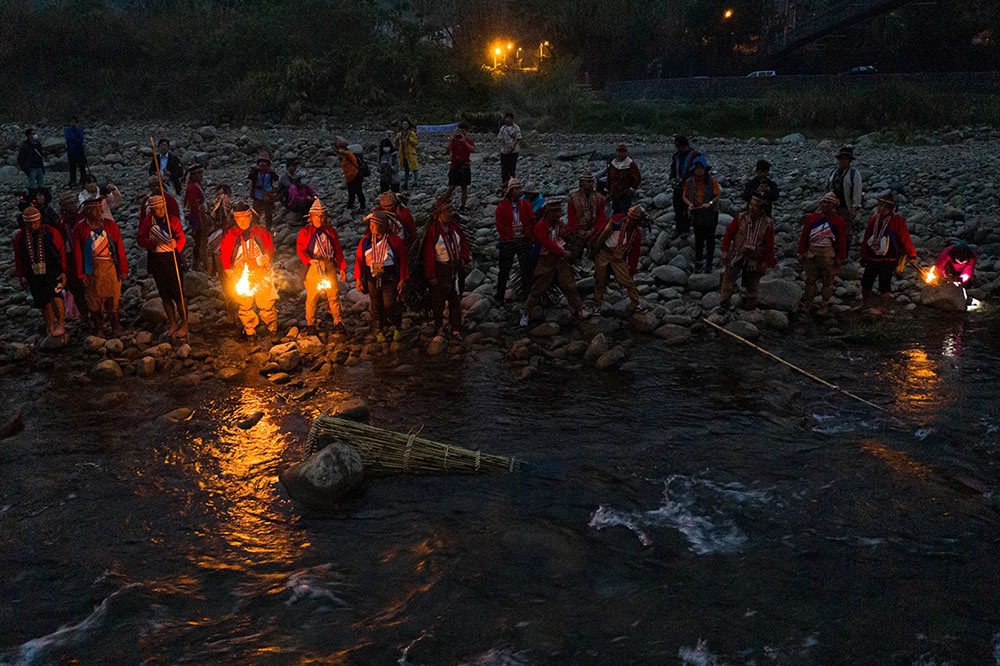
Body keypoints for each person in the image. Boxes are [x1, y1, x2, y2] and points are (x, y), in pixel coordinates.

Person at [521, 198, 588, 326]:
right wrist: (561, 252)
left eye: (559, 211)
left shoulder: (559, 225)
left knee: (569, 285)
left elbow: (564, 237)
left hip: (561, 260)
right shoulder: (541, 226)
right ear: (548, 212)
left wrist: (567, 235)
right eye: (555, 212)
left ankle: (578, 309)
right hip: (546, 260)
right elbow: (546, 242)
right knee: (537, 288)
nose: (558, 214)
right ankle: (526, 313)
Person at [219, 203, 278, 340]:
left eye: (245, 218)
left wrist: (267, 256)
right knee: (244, 303)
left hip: (260, 270)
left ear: (250, 217)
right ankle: (249, 329)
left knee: (266, 300)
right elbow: (224, 252)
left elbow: (270, 245)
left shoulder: (259, 231)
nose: (242, 222)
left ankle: (272, 328)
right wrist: (228, 269)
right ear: (235, 219)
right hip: (240, 273)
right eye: (239, 219)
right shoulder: (231, 234)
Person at [73, 199, 128, 336]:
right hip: (92, 269)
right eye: (93, 210)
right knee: (94, 300)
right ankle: (99, 328)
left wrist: (123, 269)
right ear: (87, 212)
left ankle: (115, 327)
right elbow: (78, 253)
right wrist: (81, 274)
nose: (97, 213)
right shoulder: (80, 228)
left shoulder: (111, 226)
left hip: (110, 267)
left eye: (99, 210)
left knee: (113, 298)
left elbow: (119, 248)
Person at [137, 195, 188, 338]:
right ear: (152, 210)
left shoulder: (173, 221)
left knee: (178, 294)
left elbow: (182, 238)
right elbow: (140, 239)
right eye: (157, 209)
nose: (160, 211)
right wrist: (151, 244)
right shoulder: (148, 223)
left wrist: (176, 245)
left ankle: (185, 324)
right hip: (157, 261)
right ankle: (173, 323)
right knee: (165, 295)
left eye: (162, 208)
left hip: (172, 259)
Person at [719, 186, 776, 313]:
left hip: (756, 257)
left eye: (756, 206)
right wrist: (725, 251)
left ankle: (750, 306)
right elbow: (729, 234)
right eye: (751, 205)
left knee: (753, 283)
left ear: (762, 208)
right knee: (728, 278)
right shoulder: (741, 218)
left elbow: (769, 245)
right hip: (738, 253)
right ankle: (724, 303)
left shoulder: (767, 224)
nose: (752, 208)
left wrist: (766, 262)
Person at [355, 210, 409, 343]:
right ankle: (378, 329)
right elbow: (359, 260)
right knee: (375, 305)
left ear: (384, 226)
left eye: (375, 225)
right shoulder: (366, 241)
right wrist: (358, 279)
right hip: (372, 278)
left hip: (389, 278)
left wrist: (402, 279)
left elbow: (402, 261)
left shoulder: (395, 241)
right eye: (371, 224)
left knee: (390, 304)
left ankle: (397, 325)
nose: (372, 227)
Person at [13, 207, 67, 338]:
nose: (33, 226)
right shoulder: (20, 237)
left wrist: (64, 271)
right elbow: (18, 257)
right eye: (30, 223)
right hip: (32, 273)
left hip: (52, 270)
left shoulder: (51, 232)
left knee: (56, 296)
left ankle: (61, 324)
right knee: (43, 301)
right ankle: (50, 326)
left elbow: (61, 252)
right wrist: (21, 275)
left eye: (35, 222)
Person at [296, 199, 347, 335]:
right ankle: (310, 323)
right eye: (316, 216)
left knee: (333, 294)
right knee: (312, 296)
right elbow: (300, 249)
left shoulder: (331, 231)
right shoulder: (305, 232)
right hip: (314, 265)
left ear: (325, 217)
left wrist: (342, 267)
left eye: (321, 216)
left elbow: (337, 249)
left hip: (329, 264)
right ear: (311, 217)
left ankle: (337, 320)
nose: (318, 218)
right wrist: (309, 260)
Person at [859, 193, 916, 315]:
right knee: (866, 281)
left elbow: (904, 237)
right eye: (880, 205)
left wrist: (912, 255)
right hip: (873, 256)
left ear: (891, 208)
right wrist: (863, 255)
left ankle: (882, 306)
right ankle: (865, 303)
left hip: (888, 258)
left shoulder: (897, 221)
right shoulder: (874, 220)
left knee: (884, 282)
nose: (881, 208)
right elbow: (866, 238)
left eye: (884, 206)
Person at [423, 199, 471, 338]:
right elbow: (428, 254)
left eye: (451, 211)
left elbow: (463, 242)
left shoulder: (454, 227)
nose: (451, 213)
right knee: (438, 301)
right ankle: (438, 326)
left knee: (455, 300)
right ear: (440, 214)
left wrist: (464, 258)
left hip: (455, 268)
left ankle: (455, 328)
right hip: (441, 270)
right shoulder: (433, 231)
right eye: (448, 211)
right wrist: (431, 275)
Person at [797, 192, 848, 316]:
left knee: (828, 282)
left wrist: (840, 256)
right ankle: (809, 304)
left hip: (828, 253)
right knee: (810, 280)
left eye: (829, 203)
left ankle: (824, 305)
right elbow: (805, 235)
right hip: (812, 252)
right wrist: (801, 251)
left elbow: (841, 240)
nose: (825, 205)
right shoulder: (812, 218)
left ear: (833, 206)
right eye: (824, 202)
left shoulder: (838, 221)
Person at [590, 205, 645, 313]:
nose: (629, 221)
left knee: (628, 281)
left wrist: (631, 270)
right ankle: (597, 304)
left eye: (633, 220)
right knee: (600, 280)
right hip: (604, 253)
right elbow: (602, 231)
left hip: (619, 258)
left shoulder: (636, 234)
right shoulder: (616, 221)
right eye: (629, 218)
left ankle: (636, 303)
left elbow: (634, 254)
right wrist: (594, 243)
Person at [494, 177, 535, 305]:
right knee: (504, 270)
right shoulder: (501, 207)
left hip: (523, 240)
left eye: (520, 189)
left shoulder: (525, 205)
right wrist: (509, 237)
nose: (520, 191)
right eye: (517, 189)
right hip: (509, 241)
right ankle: (500, 295)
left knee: (526, 268)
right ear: (510, 191)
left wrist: (526, 234)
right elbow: (500, 226)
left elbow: (531, 221)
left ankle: (526, 294)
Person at [682, 157, 721, 273]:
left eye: (701, 168)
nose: (699, 170)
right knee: (698, 239)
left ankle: (709, 263)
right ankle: (698, 262)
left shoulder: (712, 181)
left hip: (711, 213)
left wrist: (710, 203)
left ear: (705, 169)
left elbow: (717, 195)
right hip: (696, 213)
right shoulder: (689, 182)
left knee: (710, 239)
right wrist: (689, 204)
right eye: (697, 168)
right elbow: (684, 196)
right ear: (694, 170)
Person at [55, 190, 87, 322]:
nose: (74, 205)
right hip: (70, 261)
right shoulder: (60, 225)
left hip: (85, 257)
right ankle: (85, 316)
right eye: (70, 203)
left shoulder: (83, 219)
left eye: (75, 202)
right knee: (77, 291)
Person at [567, 171, 607, 262]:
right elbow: (572, 218)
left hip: (594, 231)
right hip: (578, 232)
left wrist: (593, 230)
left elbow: (601, 217)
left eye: (592, 182)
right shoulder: (573, 198)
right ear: (581, 183)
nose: (590, 184)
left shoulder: (599, 198)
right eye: (588, 182)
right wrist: (579, 231)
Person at [826, 146, 863, 238]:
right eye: (841, 159)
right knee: (831, 228)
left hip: (845, 206)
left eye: (846, 159)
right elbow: (827, 188)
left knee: (845, 230)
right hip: (832, 206)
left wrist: (855, 207)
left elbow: (857, 191)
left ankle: (845, 245)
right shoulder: (832, 172)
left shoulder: (854, 173)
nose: (843, 161)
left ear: (850, 161)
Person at [670, 136, 701, 237]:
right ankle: (679, 229)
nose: (678, 149)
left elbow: (699, 171)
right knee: (677, 208)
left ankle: (688, 228)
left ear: (686, 146)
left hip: (691, 187)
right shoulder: (676, 156)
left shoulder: (696, 155)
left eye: (680, 147)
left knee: (689, 209)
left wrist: (686, 179)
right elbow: (673, 169)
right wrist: (672, 178)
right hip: (678, 187)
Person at [445, 122, 475, 212]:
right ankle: (444, 202)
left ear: (467, 131)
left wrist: (464, 142)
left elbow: (473, 149)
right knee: (451, 186)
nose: (461, 133)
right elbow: (447, 151)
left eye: (463, 131)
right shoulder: (454, 140)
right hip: (455, 165)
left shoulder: (469, 140)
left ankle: (462, 206)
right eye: (460, 131)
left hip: (465, 165)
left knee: (464, 187)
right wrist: (450, 140)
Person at [183, 163, 208, 271]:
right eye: (198, 173)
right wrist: (200, 222)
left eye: (201, 173)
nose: (200, 176)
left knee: (200, 241)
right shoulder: (192, 188)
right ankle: (197, 264)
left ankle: (198, 263)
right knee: (198, 242)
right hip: (197, 219)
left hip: (200, 217)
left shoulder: (197, 186)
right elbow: (194, 207)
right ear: (193, 175)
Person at [606, 143, 641, 216]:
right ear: (616, 152)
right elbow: (609, 178)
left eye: (623, 151)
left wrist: (631, 189)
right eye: (619, 151)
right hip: (614, 193)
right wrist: (608, 190)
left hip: (625, 193)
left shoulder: (631, 164)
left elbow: (637, 178)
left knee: (625, 212)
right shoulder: (612, 164)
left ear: (625, 153)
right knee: (615, 211)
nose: (620, 154)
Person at [248, 152, 278, 229]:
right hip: (257, 195)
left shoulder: (270, 172)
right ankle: (256, 229)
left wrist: (271, 171)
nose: (263, 164)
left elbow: (276, 178)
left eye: (264, 162)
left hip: (268, 195)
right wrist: (255, 170)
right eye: (261, 162)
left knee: (268, 214)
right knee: (256, 213)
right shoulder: (256, 171)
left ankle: (268, 229)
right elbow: (250, 177)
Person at [336, 141, 366, 210]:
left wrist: (339, 150)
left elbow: (345, 152)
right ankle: (350, 207)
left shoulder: (349, 154)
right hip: (350, 177)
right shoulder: (344, 157)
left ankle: (362, 207)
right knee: (351, 193)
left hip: (355, 176)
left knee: (358, 192)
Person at [497, 111, 522, 187]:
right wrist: (505, 147)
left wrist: (512, 147)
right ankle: (505, 184)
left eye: (508, 119)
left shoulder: (516, 127)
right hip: (504, 151)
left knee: (512, 169)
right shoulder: (503, 128)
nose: (507, 121)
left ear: (511, 119)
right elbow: (500, 139)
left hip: (514, 151)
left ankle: (512, 184)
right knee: (504, 169)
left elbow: (517, 138)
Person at [394, 118, 419, 190]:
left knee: (414, 169)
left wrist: (410, 139)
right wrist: (396, 139)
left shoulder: (411, 134)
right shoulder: (399, 134)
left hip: (411, 154)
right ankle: (406, 183)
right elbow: (396, 144)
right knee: (406, 170)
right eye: (403, 124)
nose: (404, 125)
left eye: (406, 124)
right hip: (403, 155)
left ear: (408, 125)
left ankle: (415, 183)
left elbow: (416, 142)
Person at [64, 119, 86, 187]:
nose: (72, 123)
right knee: (72, 167)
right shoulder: (67, 130)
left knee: (82, 166)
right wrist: (76, 139)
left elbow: (81, 138)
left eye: (73, 122)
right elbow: (68, 138)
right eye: (71, 121)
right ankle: (73, 180)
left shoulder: (79, 130)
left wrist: (74, 139)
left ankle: (83, 180)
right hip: (71, 151)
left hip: (79, 150)